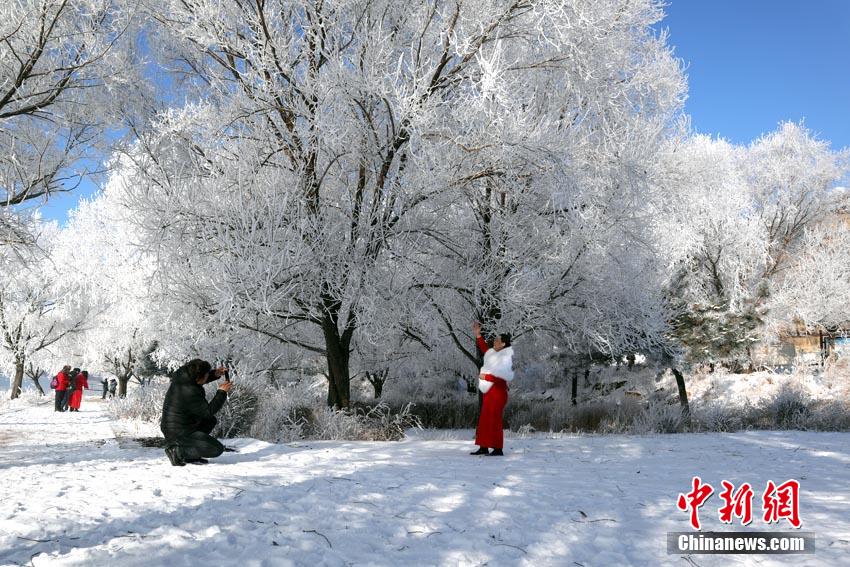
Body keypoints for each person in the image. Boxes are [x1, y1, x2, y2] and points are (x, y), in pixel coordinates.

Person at [160, 359, 232, 466]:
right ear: (199, 376)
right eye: (206, 375)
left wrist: (214, 374)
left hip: (176, 425)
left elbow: (197, 380)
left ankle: (190, 455)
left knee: (210, 421)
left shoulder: (183, 377)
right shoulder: (190, 391)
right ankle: (178, 452)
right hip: (178, 431)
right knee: (216, 449)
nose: (207, 377)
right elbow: (208, 411)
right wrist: (221, 392)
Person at [470, 321, 514, 456]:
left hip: (498, 393)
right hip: (490, 392)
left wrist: (485, 377)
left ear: (503, 345)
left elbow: (502, 378)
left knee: (494, 421)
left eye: (497, 340)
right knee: (484, 419)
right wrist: (478, 335)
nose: (494, 341)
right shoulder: (494, 354)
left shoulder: (506, 358)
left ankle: (497, 448)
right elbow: (485, 349)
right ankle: (483, 446)